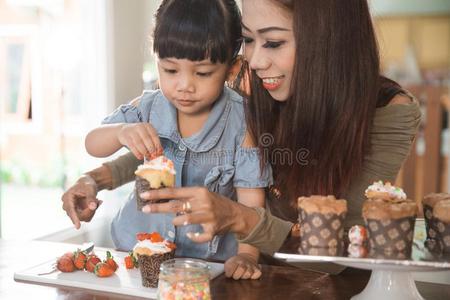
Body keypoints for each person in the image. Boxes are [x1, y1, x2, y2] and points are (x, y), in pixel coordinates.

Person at [62, 0, 421, 262]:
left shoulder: (387, 112)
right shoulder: (245, 85)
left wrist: (238, 221)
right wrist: (95, 179)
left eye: (274, 42)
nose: (257, 61)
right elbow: (168, 150)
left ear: (330, 41)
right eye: (248, 40)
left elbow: (341, 248)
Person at [70, 0, 273, 280]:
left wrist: (247, 255)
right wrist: (119, 132)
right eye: (170, 70)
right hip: (138, 252)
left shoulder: (243, 122)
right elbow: (92, 144)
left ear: (231, 68)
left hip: (206, 264)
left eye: (202, 73)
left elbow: (250, 203)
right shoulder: (149, 105)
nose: (184, 85)